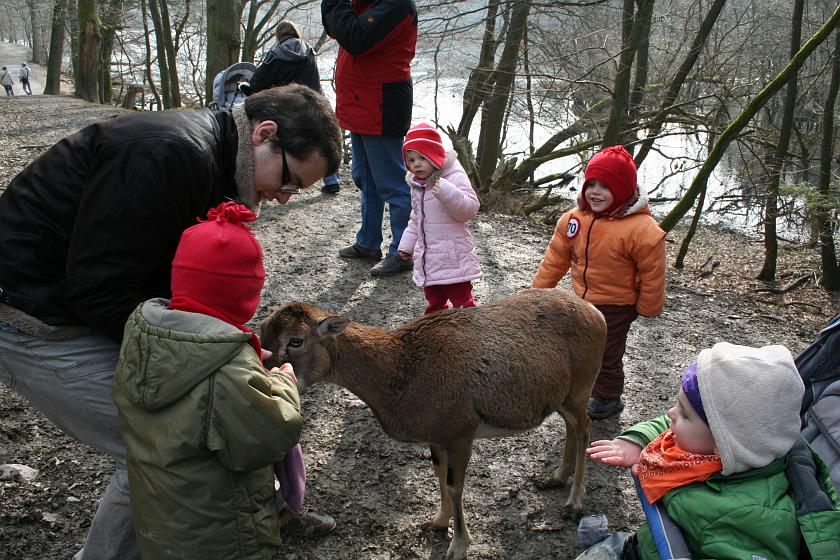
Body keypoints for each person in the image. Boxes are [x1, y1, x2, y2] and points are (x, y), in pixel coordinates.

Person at [0, 84, 342, 560]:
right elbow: (98, 289)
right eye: (290, 181)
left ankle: (271, 507)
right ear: (264, 133)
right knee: (177, 441)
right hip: (28, 315)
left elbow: (161, 285)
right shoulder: (170, 154)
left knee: (228, 410)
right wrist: (208, 357)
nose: (284, 199)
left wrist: (231, 353)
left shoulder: (209, 160)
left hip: (72, 303)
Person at [113, 202, 306, 559]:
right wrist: (283, 385)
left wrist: (244, 361)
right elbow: (269, 437)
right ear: (245, 296)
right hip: (220, 534)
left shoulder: (141, 334)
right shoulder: (227, 372)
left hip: (159, 521)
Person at [580, 342, 840, 559]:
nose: (671, 413)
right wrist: (637, 440)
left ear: (722, 444)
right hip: (656, 541)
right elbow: (666, 425)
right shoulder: (722, 447)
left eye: (683, 413)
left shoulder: (744, 520)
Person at [532, 145, 666, 419]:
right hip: (580, 301)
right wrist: (537, 292)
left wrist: (648, 307)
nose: (595, 191)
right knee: (579, 348)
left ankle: (608, 396)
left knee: (607, 353)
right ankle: (585, 387)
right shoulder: (573, 220)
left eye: (605, 186)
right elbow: (555, 259)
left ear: (624, 191)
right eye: (591, 184)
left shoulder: (642, 230)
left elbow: (653, 273)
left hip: (618, 305)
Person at [322, 0, 418, 276]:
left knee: (392, 182)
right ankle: (368, 243)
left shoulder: (397, 5)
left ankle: (402, 252)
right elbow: (336, 27)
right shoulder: (372, 3)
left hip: (382, 103)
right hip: (362, 102)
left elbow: (355, 38)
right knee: (366, 178)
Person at [243, 20, 341, 195]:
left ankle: (277, 184)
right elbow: (315, 78)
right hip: (313, 105)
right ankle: (332, 180)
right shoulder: (309, 51)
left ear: (279, 35)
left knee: (288, 148)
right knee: (323, 144)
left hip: (287, 109)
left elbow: (259, 80)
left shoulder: (276, 53)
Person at [396, 122, 481, 314]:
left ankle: (472, 330)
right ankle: (436, 332)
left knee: (463, 302)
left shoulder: (453, 176)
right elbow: (416, 217)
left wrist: (446, 191)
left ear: (434, 156)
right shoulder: (418, 184)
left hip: (453, 258)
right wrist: (406, 245)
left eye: (422, 158)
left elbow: (470, 210)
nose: (415, 164)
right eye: (410, 159)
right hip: (429, 258)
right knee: (434, 302)